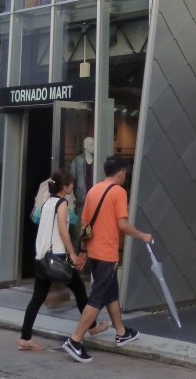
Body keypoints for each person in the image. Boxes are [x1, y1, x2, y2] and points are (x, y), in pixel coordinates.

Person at [62, 154, 152, 364]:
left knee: (111, 293)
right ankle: (75, 340)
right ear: (121, 172)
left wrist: (84, 251)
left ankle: (121, 332)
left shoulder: (94, 190)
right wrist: (142, 236)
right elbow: (122, 224)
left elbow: (85, 223)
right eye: (125, 173)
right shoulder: (119, 192)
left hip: (94, 253)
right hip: (107, 254)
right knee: (97, 297)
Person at [18, 168, 108, 352]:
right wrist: (73, 254)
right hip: (57, 257)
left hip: (42, 257)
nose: (73, 186)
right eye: (71, 184)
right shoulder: (61, 204)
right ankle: (92, 327)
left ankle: (25, 338)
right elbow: (62, 231)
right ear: (64, 187)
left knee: (37, 299)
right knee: (80, 290)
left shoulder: (47, 202)